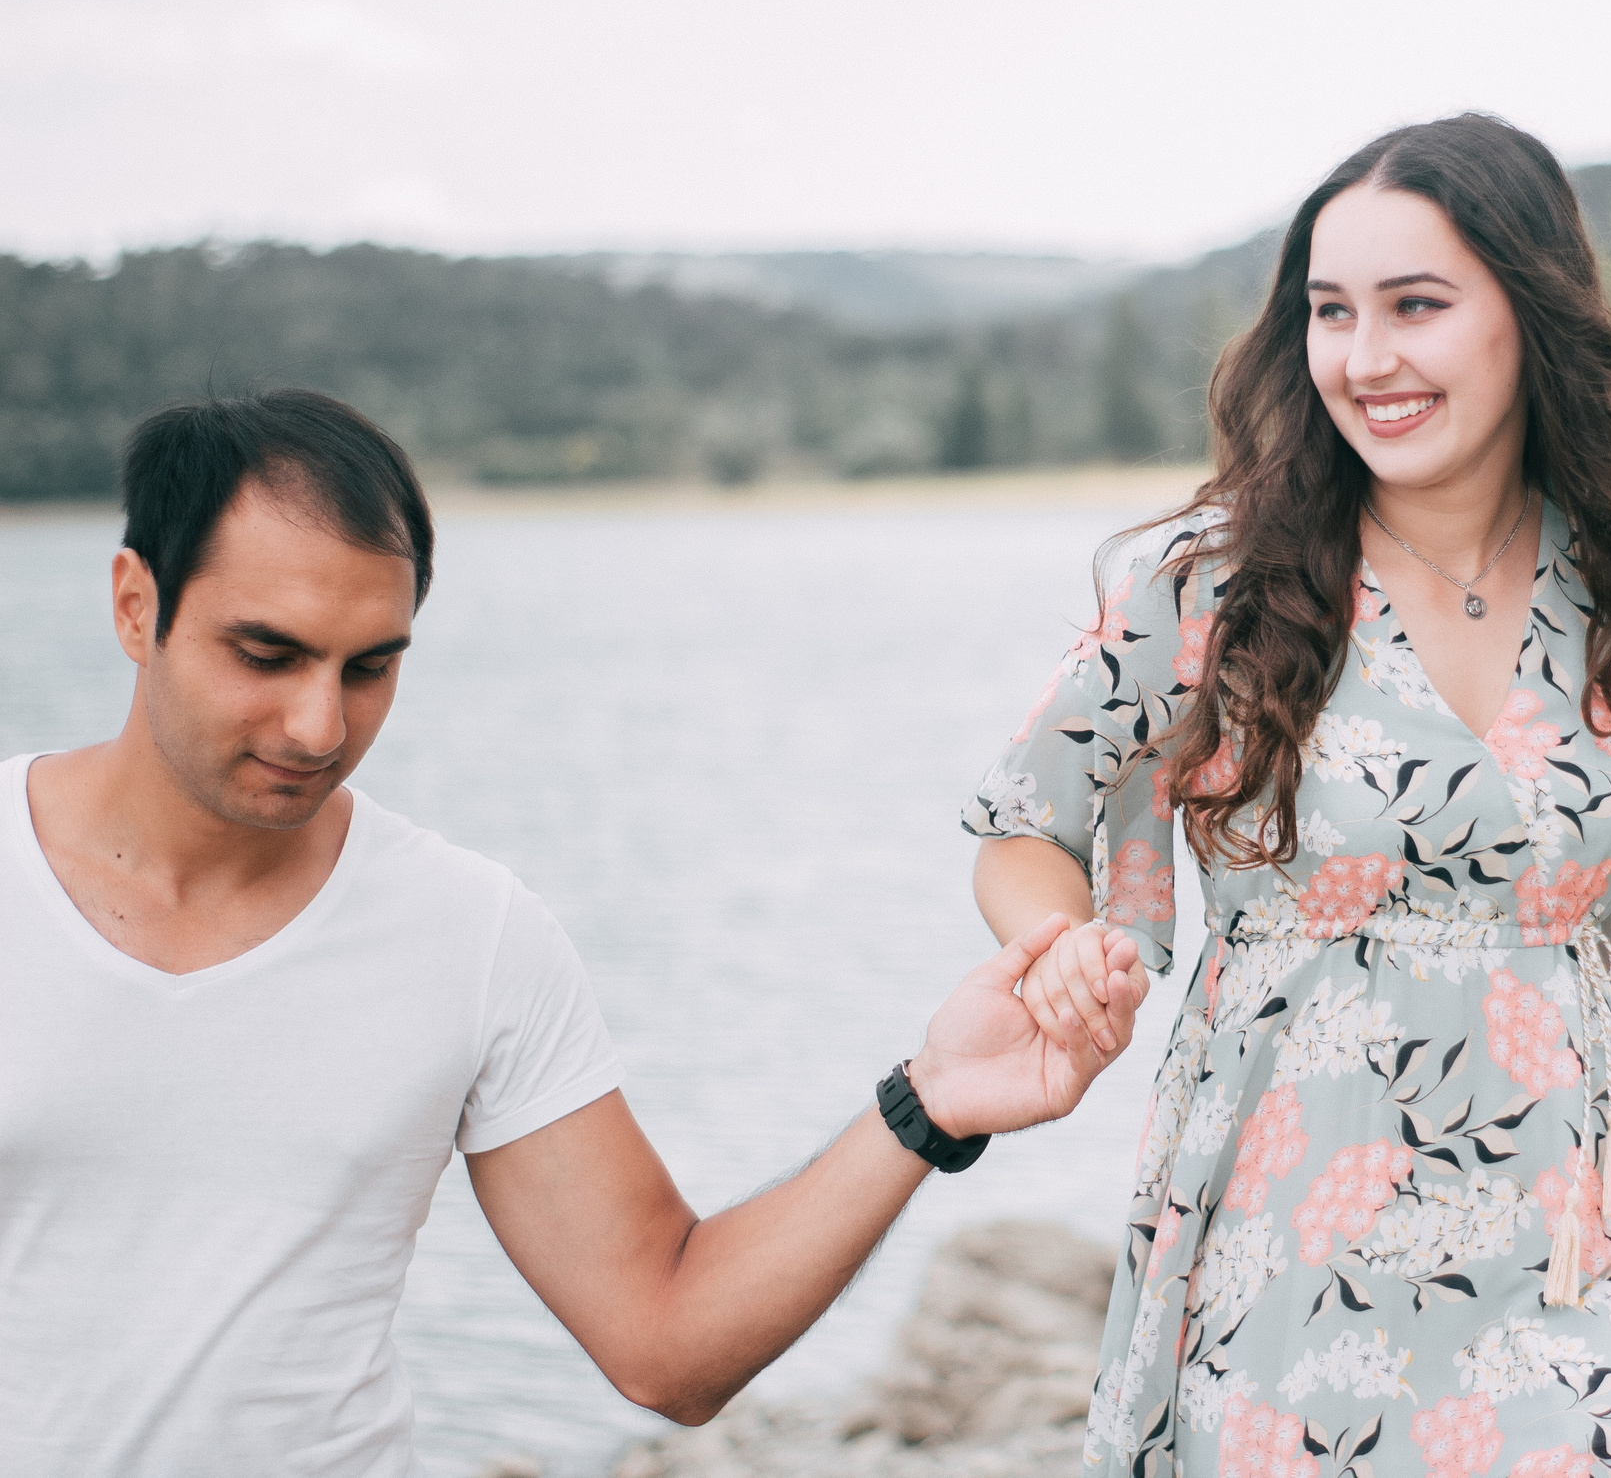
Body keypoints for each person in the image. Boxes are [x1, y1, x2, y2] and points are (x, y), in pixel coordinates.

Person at [0, 388, 1148, 1477]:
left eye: (371, 667)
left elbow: (666, 1337)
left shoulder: (468, 933)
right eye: (267, 655)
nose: (318, 724)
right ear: (134, 604)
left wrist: (928, 1102)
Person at [964, 114, 1611, 1478]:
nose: (1366, 356)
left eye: (1417, 306)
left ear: (1528, 311)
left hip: (1580, 1262)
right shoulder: (1215, 587)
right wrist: (1060, 945)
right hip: (1292, 1259)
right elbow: (1024, 818)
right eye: (1332, 312)